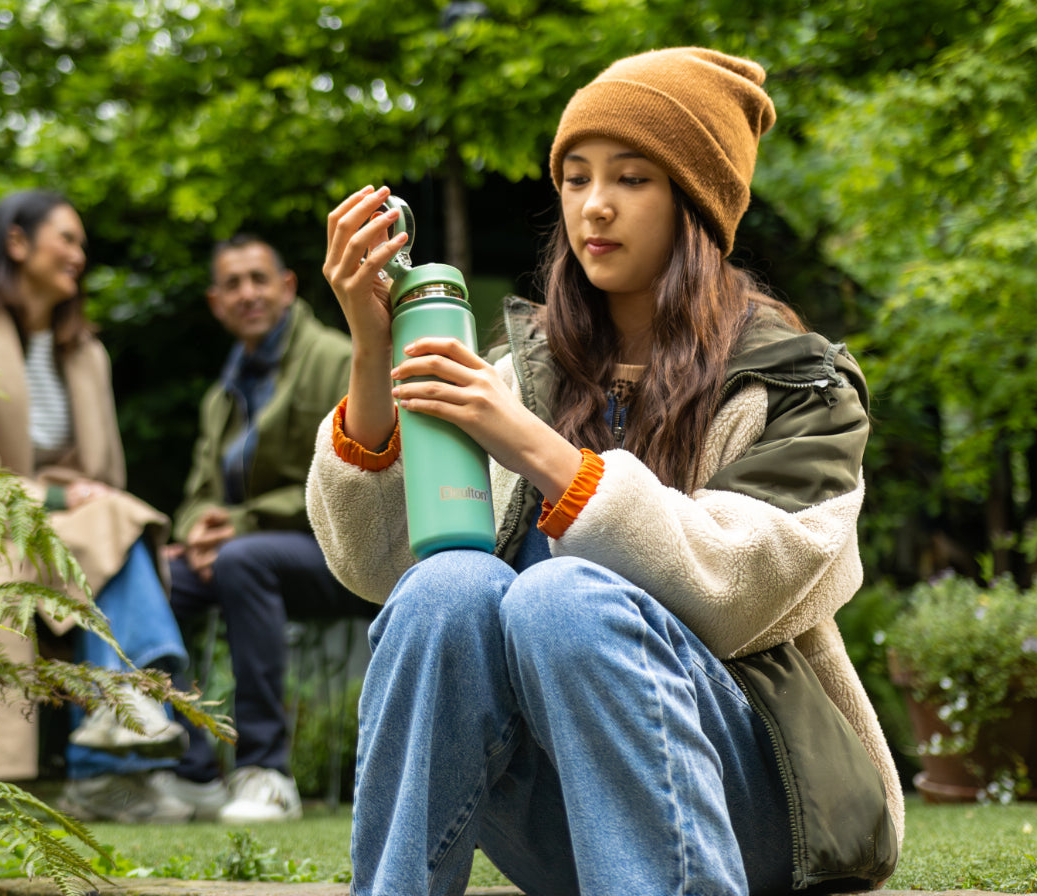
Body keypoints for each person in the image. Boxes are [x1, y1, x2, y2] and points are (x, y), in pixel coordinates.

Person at [308, 48, 904, 895]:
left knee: (563, 595)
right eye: (576, 177)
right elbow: (377, 570)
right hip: (566, 812)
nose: (595, 205)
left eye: (632, 179)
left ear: (694, 201)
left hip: (764, 807)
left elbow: (738, 587)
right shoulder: (524, 376)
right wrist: (373, 346)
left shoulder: (799, 387)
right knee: (446, 591)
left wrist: (541, 453)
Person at [0, 190, 190, 821]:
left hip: (68, 531)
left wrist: (73, 500)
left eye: (81, 244)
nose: (79, 255)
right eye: (66, 238)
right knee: (113, 523)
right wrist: (57, 496)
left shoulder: (86, 353)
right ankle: (131, 712)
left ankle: (119, 737)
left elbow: (104, 472)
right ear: (16, 242)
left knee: (111, 521)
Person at [147, 234, 367, 824]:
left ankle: (266, 772)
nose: (248, 294)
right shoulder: (223, 393)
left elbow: (347, 475)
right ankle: (190, 767)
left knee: (245, 560)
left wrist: (237, 526)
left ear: (287, 286)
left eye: (258, 279)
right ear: (216, 302)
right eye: (233, 284)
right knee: (152, 578)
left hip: (344, 553)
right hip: (248, 554)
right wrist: (198, 531)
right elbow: (198, 494)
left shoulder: (332, 358)